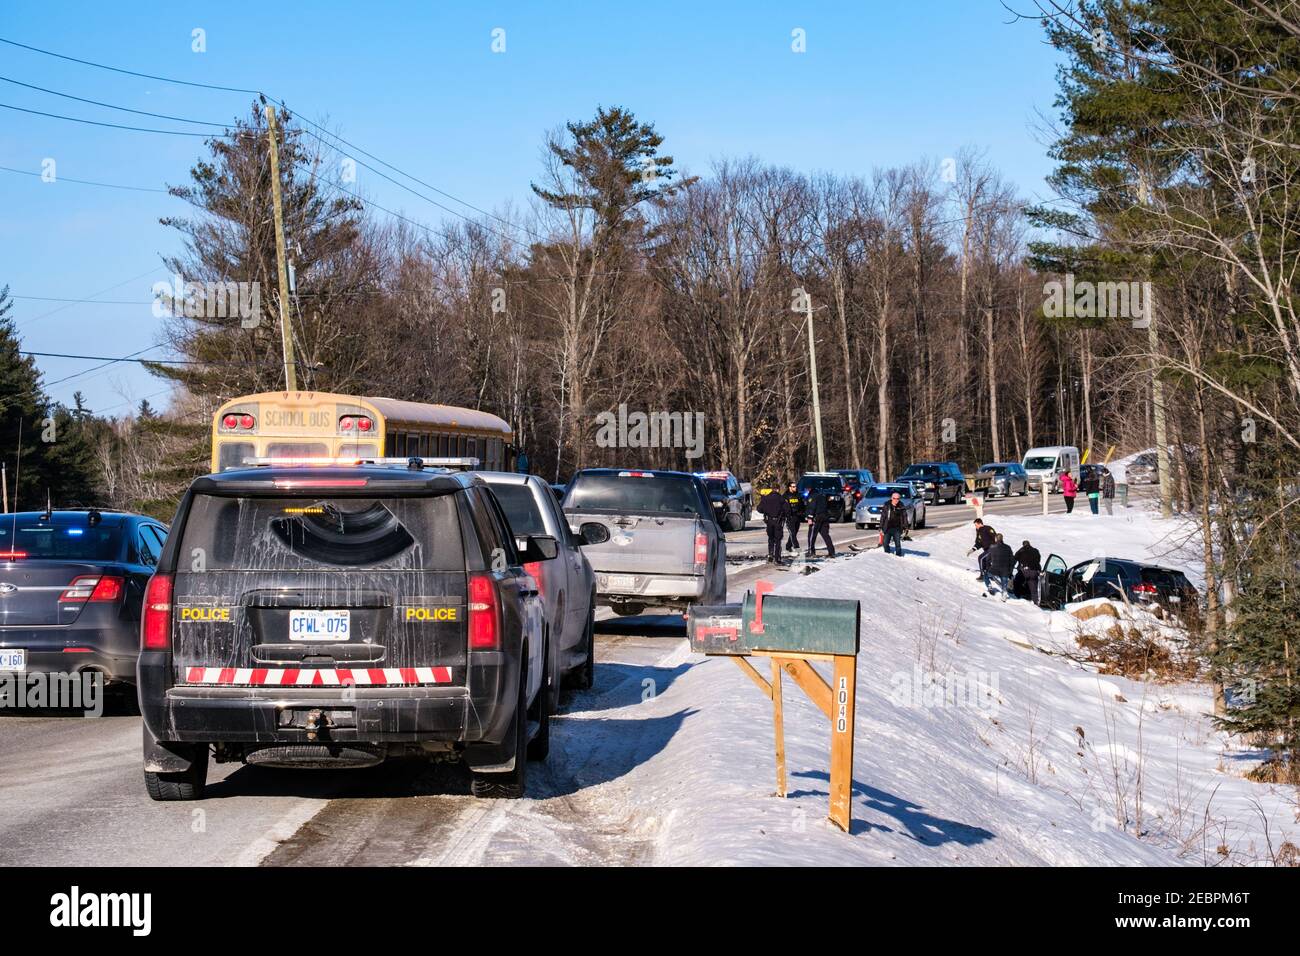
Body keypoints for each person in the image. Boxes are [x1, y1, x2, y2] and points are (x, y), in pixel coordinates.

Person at [757, 486, 791, 564]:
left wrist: (767, 510)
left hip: (769, 521)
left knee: (771, 538)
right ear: (778, 490)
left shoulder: (765, 498)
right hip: (778, 522)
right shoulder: (781, 499)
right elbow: (787, 510)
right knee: (778, 540)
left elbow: (759, 509)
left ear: (772, 490)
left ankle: (770, 555)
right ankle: (777, 558)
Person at [806, 487, 836, 558]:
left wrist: (810, 517)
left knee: (812, 536)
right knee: (826, 535)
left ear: (809, 490)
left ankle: (811, 551)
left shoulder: (812, 497)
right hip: (825, 517)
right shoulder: (822, 496)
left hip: (816, 518)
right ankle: (831, 552)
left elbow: (812, 507)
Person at [878, 490, 910, 557]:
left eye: (897, 499)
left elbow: (904, 516)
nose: (896, 500)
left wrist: (906, 527)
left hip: (897, 528)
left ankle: (898, 556)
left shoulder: (901, 506)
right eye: (894, 498)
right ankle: (887, 555)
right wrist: (880, 527)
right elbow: (883, 517)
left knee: (897, 544)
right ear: (891, 498)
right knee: (885, 543)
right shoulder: (887, 505)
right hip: (887, 527)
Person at [984, 533, 1014, 600]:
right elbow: (1012, 560)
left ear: (996, 539)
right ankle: (1004, 592)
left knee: (986, 575)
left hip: (994, 568)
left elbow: (988, 559)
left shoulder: (992, 547)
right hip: (1005, 569)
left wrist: (987, 567)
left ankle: (989, 586)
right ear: (1002, 539)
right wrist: (1010, 571)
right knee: (1004, 582)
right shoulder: (1008, 547)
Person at [1014, 539, 1042, 605]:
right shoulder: (1035, 551)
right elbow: (1038, 559)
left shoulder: (1021, 550)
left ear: (1023, 545)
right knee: (1034, 588)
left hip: (1024, 572)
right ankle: (1036, 602)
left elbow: (1015, 557)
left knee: (1017, 582)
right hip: (1034, 572)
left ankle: (1017, 598)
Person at [783, 481, 805, 553]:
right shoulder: (785, 496)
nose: (795, 488)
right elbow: (783, 507)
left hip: (797, 517)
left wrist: (802, 513)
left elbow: (802, 505)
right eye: (793, 486)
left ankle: (788, 546)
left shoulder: (798, 495)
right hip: (789, 517)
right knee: (792, 532)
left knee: (794, 533)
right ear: (789, 487)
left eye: (795, 486)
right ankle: (797, 548)